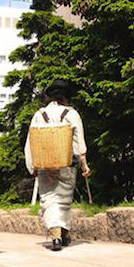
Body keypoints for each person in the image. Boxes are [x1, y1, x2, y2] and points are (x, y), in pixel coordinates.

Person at [24, 79, 90, 251]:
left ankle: (55, 234)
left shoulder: (39, 114)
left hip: (45, 164)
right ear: (66, 97)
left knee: (49, 199)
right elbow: (79, 142)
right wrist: (84, 164)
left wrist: (33, 166)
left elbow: (30, 141)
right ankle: (63, 232)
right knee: (64, 199)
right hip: (66, 163)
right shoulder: (72, 114)